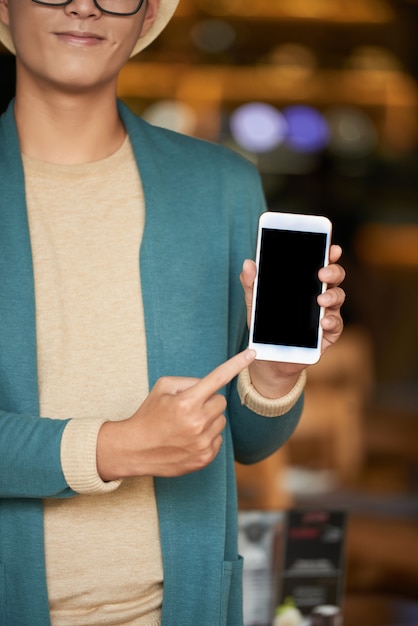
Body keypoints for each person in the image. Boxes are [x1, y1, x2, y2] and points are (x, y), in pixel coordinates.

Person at [0, 0, 346, 624]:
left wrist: (272, 379)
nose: (84, 5)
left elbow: (248, 444)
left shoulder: (221, 185)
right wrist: (116, 447)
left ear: (147, 13)